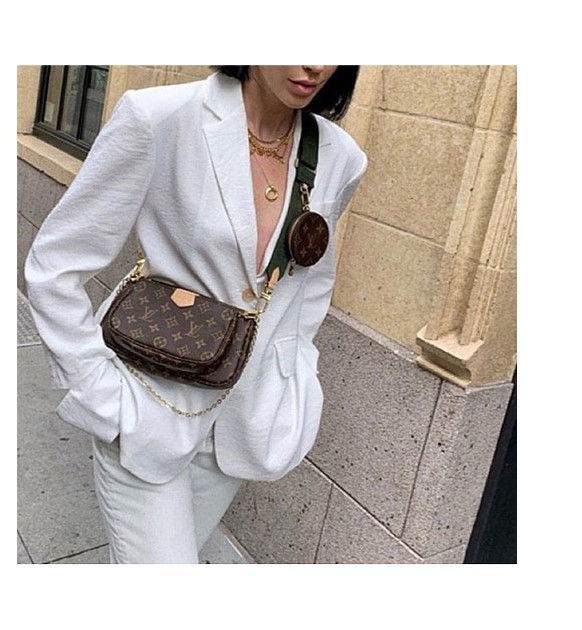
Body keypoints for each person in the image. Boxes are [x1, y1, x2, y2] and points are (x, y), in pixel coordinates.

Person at [25, 65, 368, 563]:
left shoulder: (341, 156)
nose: (314, 63)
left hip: (241, 423)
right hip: (146, 407)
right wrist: (101, 394)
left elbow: (311, 283)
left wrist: (298, 375)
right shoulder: (160, 117)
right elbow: (56, 264)